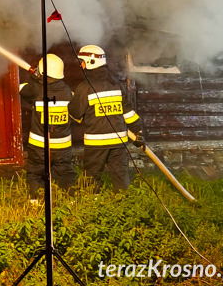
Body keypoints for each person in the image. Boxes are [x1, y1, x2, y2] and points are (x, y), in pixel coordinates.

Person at [70, 44, 142, 191]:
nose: (81, 65)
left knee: (91, 175)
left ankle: (93, 202)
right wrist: (138, 131)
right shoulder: (116, 84)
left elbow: (76, 114)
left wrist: (73, 100)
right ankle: (123, 202)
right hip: (119, 141)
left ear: (90, 62)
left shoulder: (84, 87)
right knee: (120, 175)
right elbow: (127, 111)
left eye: (82, 61)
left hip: (97, 142)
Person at [19, 53, 76, 201]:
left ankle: (35, 201)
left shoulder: (36, 90)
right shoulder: (67, 91)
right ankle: (70, 200)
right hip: (63, 146)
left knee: (36, 172)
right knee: (65, 173)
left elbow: (22, 88)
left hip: (40, 145)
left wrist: (34, 77)